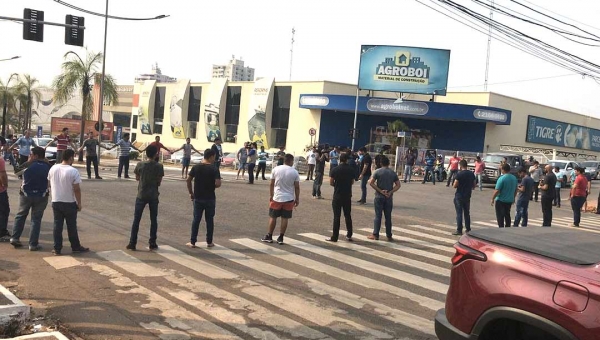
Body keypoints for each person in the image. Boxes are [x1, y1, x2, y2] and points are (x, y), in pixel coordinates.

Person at [47, 149, 89, 255]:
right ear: (70, 158)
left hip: (56, 201)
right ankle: (75, 246)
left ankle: (57, 248)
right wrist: (79, 203)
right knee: (71, 226)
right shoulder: (73, 171)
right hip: (69, 202)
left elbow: (49, 183)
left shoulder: (53, 168)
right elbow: (76, 189)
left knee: (57, 226)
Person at [9, 147, 51, 250]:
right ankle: (33, 244)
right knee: (36, 220)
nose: (29, 156)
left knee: (21, 215)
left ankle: (15, 238)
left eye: (30, 155)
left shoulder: (28, 165)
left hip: (25, 195)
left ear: (35, 156)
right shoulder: (49, 166)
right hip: (42, 196)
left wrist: (28, 162)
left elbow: (17, 172)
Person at [126, 145, 164, 251]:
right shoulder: (159, 166)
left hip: (141, 194)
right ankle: (152, 242)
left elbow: (137, 178)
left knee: (136, 220)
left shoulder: (140, 164)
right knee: (153, 220)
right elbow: (159, 182)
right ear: (155, 154)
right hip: (153, 195)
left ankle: (132, 243)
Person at [261, 154, 300, 245]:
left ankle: (269, 235)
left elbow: (271, 184)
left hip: (277, 197)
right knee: (285, 218)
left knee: (273, 217)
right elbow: (297, 187)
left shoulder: (276, 169)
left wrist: (271, 195)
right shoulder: (294, 172)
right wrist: (297, 198)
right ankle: (281, 237)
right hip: (289, 198)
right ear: (291, 161)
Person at [186, 149, 221, 248]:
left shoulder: (196, 167)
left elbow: (188, 180)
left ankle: (193, 241)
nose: (214, 159)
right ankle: (209, 242)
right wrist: (211, 186)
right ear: (210, 157)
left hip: (198, 197)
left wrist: (191, 192)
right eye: (214, 157)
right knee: (209, 220)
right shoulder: (214, 169)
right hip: (210, 198)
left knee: (196, 219)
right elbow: (218, 183)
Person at [368, 156, 400, 241]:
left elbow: (371, 183)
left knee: (378, 216)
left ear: (381, 163)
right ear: (388, 163)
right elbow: (398, 185)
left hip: (379, 196)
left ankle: (376, 234)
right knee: (388, 217)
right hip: (389, 197)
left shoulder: (377, 172)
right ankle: (389, 235)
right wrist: (390, 192)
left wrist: (380, 191)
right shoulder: (392, 173)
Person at [326, 153, 355, 242]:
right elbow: (352, 182)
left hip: (337, 195)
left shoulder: (335, 169)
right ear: (347, 160)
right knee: (347, 215)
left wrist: (337, 185)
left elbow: (331, 182)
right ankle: (349, 234)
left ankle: (335, 236)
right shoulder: (351, 169)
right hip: (347, 195)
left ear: (340, 159)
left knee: (336, 216)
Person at [452, 160, 476, 236]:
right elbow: (474, 185)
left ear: (460, 166)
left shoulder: (459, 174)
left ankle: (459, 229)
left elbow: (454, 185)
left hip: (459, 195)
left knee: (459, 213)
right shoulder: (471, 174)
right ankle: (468, 229)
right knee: (467, 213)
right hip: (467, 196)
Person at [491, 163, 518, 228]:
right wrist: (513, 197)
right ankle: (507, 227)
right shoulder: (514, 178)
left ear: (503, 170)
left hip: (501, 200)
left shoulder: (502, 178)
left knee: (500, 216)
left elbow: (497, 190)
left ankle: (501, 227)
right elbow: (516, 189)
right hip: (509, 200)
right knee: (507, 214)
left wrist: (492, 198)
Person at [0, 152, 9, 241]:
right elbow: (2, 174)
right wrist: (5, 184)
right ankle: (2, 232)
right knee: (3, 211)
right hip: (0, 191)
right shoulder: (0, 160)